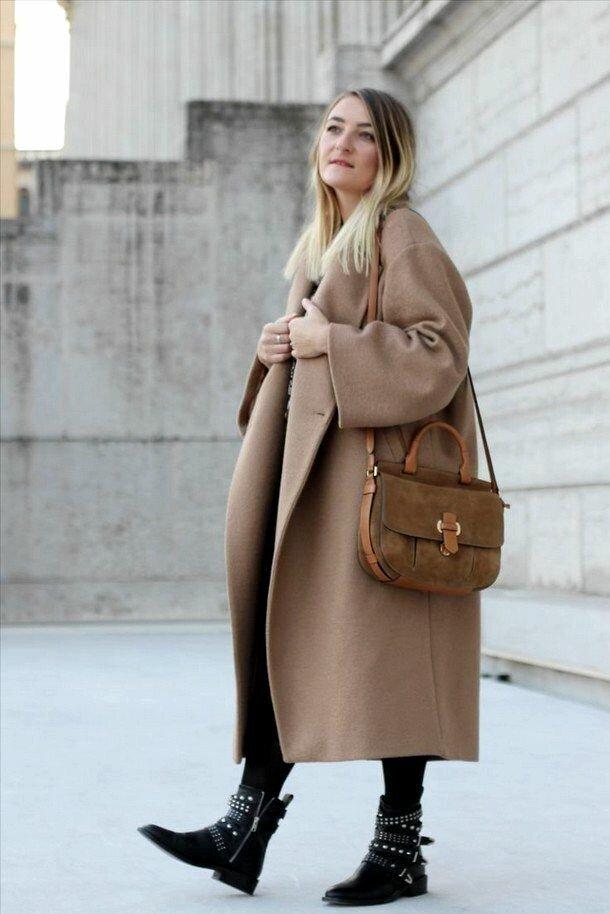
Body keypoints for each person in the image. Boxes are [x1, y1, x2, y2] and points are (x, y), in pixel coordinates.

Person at [138, 87, 480, 907]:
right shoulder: (326, 243)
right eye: (333, 128)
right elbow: (320, 360)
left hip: (376, 497)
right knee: (284, 641)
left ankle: (394, 849)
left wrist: (332, 340)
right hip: (318, 490)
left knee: (395, 666)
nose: (343, 144)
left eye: (365, 135)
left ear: (390, 156)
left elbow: (440, 351)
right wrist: (276, 350)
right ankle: (246, 825)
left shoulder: (401, 232)